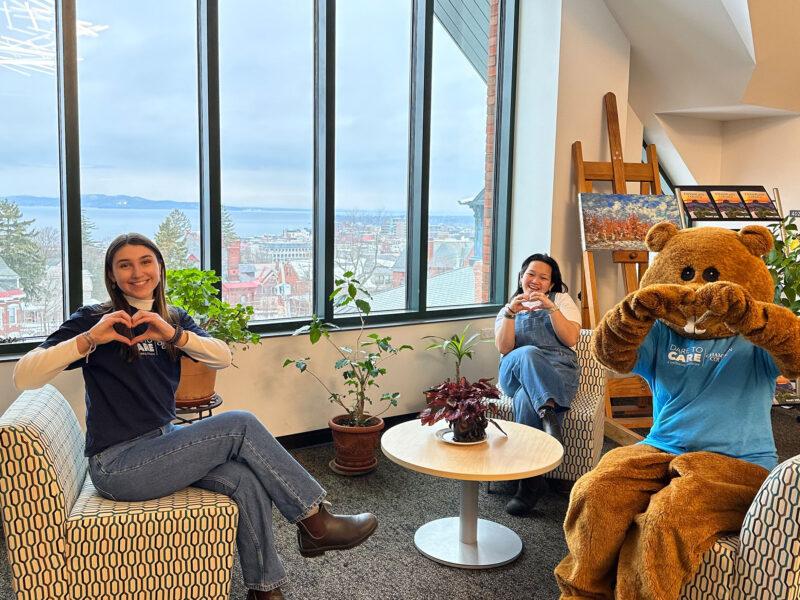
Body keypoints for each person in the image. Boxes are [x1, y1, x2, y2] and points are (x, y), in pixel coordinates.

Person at [13, 233, 378, 600]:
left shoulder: (173, 319)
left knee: (244, 478)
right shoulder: (93, 320)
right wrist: (90, 339)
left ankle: (266, 590)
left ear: (159, 268)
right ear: (111, 275)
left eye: (145, 262)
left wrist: (173, 334)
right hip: (117, 466)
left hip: (161, 443)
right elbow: (24, 376)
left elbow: (220, 356)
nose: (137, 272)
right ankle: (315, 521)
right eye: (124, 265)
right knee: (241, 423)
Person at [494, 253, 581, 516]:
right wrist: (511, 313)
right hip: (516, 372)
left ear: (551, 284)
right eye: (531, 274)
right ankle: (548, 411)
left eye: (544, 277)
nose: (536, 280)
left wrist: (550, 308)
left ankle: (529, 484)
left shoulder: (561, 301)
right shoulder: (508, 308)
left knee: (524, 400)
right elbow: (505, 348)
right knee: (528, 352)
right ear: (521, 278)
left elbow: (570, 339)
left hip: (557, 372)